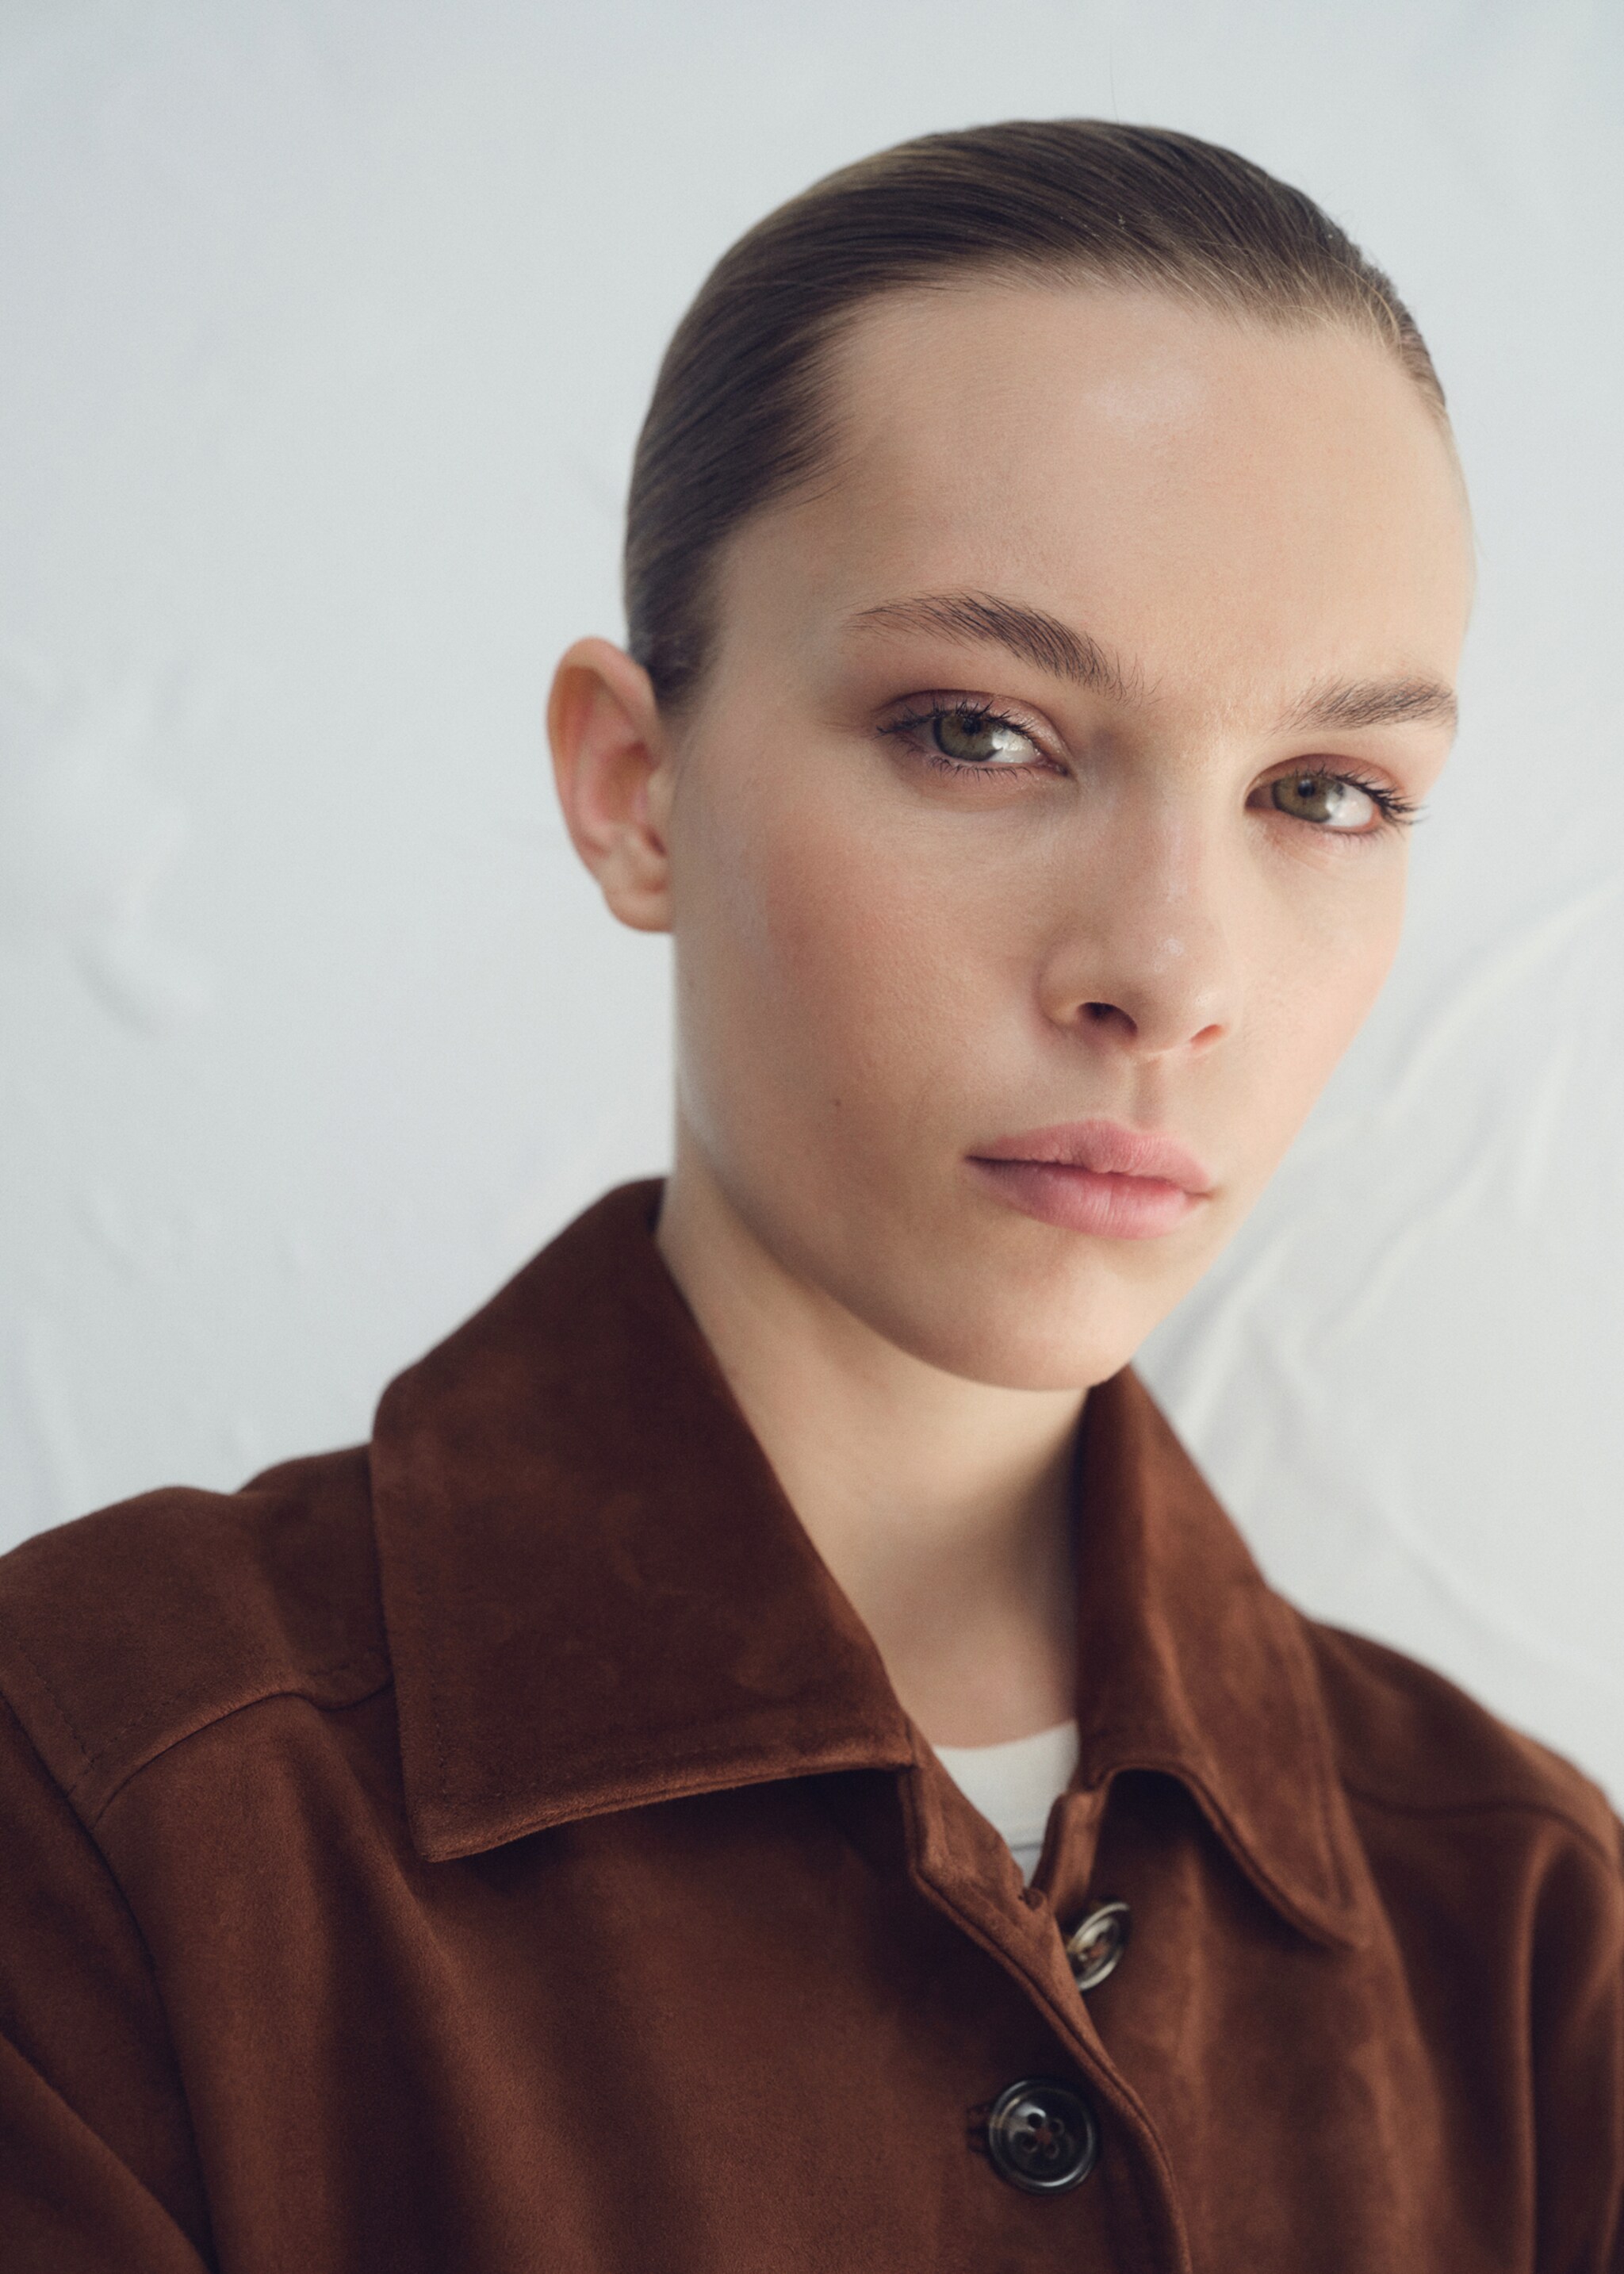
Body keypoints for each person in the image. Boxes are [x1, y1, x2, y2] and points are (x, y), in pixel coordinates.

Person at [0, 117, 1617, 2272]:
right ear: (633, 781)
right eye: (981, 730)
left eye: (1326, 792)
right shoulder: (106, 1782)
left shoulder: (1521, 1916)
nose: (1170, 969)